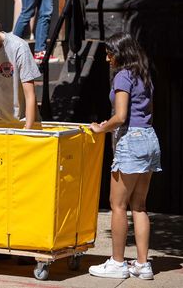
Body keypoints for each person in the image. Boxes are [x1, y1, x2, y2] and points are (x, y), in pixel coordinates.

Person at [88, 32, 162, 280]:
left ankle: (118, 262)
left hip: (131, 140)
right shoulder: (144, 75)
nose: (108, 58)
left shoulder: (122, 76)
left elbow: (120, 116)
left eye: (110, 54)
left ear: (120, 54)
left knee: (117, 205)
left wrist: (100, 127)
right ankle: (143, 264)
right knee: (139, 206)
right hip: (150, 138)